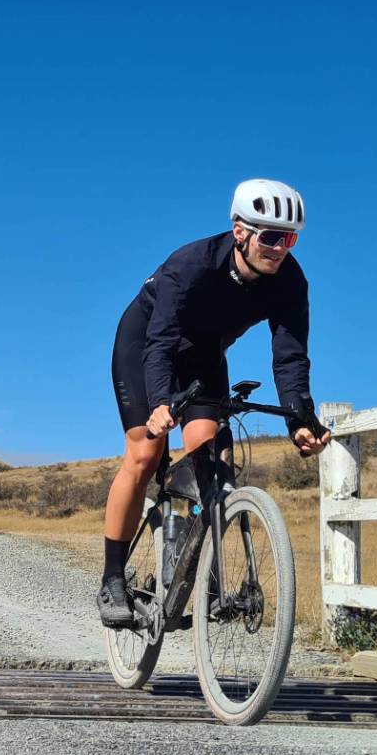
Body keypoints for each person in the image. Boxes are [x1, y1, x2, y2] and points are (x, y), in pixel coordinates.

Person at [97, 178, 334, 627]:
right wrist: (161, 402)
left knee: (208, 454)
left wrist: (299, 418)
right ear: (240, 231)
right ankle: (112, 580)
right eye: (271, 237)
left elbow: (290, 355)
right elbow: (160, 341)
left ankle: (189, 559)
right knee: (145, 453)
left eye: (289, 239)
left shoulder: (290, 281)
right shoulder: (190, 265)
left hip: (204, 357)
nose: (280, 249)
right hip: (145, 343)